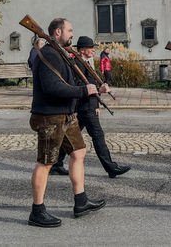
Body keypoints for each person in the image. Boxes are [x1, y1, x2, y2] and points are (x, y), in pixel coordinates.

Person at [29, 18, 110, 228]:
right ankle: (37, 211)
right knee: (45, 162)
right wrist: (85, 90)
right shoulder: (48, 54)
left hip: (67, 114)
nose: (72, 35)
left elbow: (71, 83)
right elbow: (52, 88)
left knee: (78, 153)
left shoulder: (60, 54)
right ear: (57, 32)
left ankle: (81, 202)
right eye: (70, 31)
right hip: (50, 115)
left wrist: (94, 90)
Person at [51, 36, 130, 179]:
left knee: (68, 137)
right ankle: (111, 168)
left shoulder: (84, 62)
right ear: (82, 50)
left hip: (86, 106)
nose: (94, 49)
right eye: (91, 47)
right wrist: (99, 92)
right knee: (98, 136)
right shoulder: (77, 64)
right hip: (84, 106)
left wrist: (96, 103)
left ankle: (56, 164)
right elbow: (79, 87)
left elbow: (90, 85)